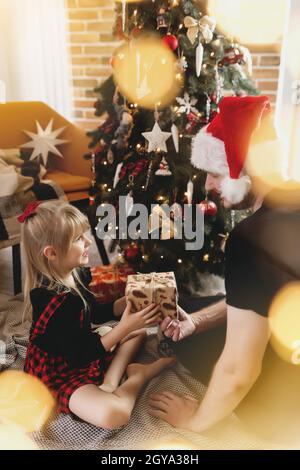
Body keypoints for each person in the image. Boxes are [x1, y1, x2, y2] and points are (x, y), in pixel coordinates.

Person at [148, 95, 300, 437]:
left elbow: (239, 371)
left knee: (192, 345)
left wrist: (195, 421)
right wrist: (198, 322)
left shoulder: (252, 238)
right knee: (188, 311)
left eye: (215, 173)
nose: (208, 186)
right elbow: (260, 296)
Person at [20, 200, 175, 429]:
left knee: (140, 330)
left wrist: (126, 302)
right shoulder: (53, 302)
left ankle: (110, 382)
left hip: (84, 347)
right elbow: (80, 355)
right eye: (78, 239)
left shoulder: (77, 273)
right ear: (51, 253)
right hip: (61, 373)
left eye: (85, 234)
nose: (89, 242)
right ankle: (138, 376)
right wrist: (123, 328)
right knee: (114, 416)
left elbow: (94, 313)